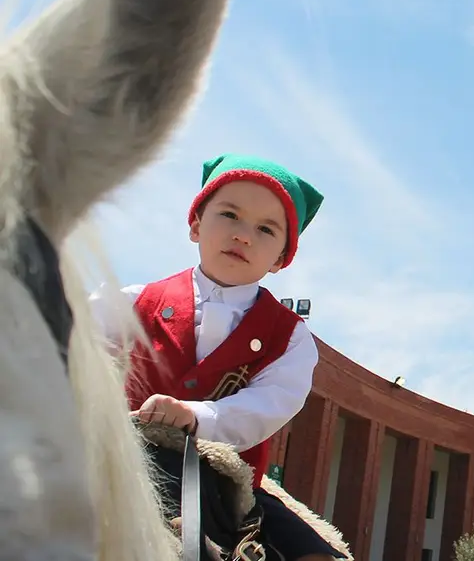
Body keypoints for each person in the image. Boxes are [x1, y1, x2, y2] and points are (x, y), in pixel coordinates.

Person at [90, 153, 345, 561]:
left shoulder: (291, 338)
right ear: (195, 225)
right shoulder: (136, 301)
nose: (243, 235)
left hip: (230, 482)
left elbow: (267, 405)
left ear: (281, 258)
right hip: (128, 454)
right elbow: (70, 343)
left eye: (265, 229)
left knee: (317, 556)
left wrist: (197, 417)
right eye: (230, 215)